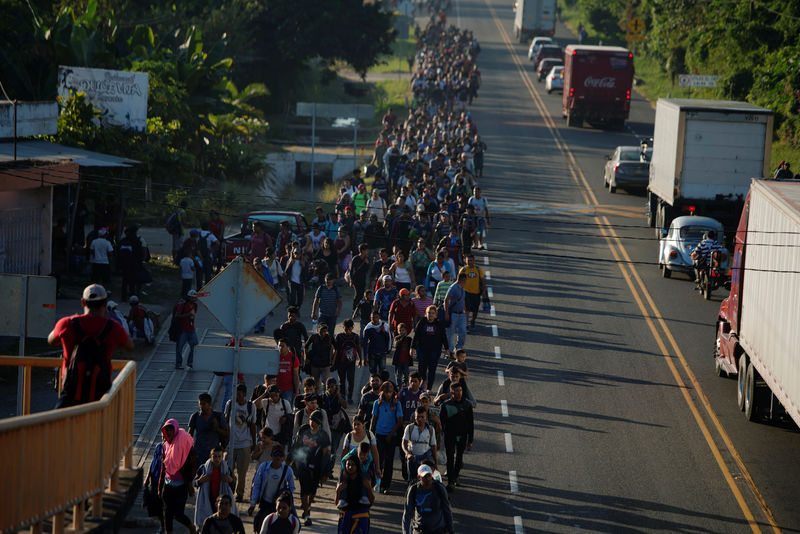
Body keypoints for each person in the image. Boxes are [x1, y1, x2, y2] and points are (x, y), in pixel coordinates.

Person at [48, 284, 133, 408]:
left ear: (83, 302)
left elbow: (51, 341)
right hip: (100, 398)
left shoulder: (67, 323)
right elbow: (129, 346)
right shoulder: (113, 327)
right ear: (105, 304)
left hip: (70, 396)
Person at [292, 410, 331, 526]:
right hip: (303, 465)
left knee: (312, 491)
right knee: (304, 490)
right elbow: (296, 446)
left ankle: (308, 506)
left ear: (319, 423)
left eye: (314, 421)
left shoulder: (323, 436)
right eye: (311, 420)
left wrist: (325, 472)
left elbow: (326, 455)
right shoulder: (304, 431)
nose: (312, 423)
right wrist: (290, 460)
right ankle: (307, 514)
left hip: (317, 467)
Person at [160, 419, 199, 534]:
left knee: (178, 514)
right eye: (166, 430)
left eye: (171, 430)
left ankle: (191, 527)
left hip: (181, 485)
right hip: (168, 484)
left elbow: (192, 465)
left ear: (175, 430)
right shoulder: (165, 445)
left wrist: (189, 483)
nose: (169, 432)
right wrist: (159, 485)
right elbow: (164, 466)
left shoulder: (184, 444)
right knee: (167, 512)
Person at [248, 444, 296, 533]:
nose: (278, 457)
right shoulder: (263, 467)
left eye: (280, 455)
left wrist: (282, 495)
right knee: (260, 526)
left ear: (283, 457)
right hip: (265, 503)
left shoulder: (287, 470)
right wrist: (253, 504)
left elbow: (292, 488)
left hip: (279, 505)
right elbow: (257, 485)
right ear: (271, 455)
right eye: (275, 454)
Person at [224, 384, 257, 501]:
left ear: (244, 394)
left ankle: (240, 494)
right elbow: (225, 421)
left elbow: (253, 425)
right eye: (235, 394)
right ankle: (228, 491)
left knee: (242, 472)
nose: (236, 396)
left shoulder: (251, 406)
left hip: (245, 443)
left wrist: (254, 442)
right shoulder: (230, 404)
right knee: (228, 470)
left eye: (239, 394)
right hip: (231, 444)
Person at [439, 381, 474, 492]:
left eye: (460, 391)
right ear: (451, 392)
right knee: (450, 458)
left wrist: (470, 440)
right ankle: (450, 481)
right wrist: (440, 437)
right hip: (450, 436)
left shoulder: (467, 405)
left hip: (462, 436)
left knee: (459, 458)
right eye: (456, 391)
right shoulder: (445, 405)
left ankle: (455, 476)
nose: (459, 393)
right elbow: (441, 423)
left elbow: (471, 424)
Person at [370, 381, 403, 495]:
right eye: (386, 392)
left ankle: (386, 485)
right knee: (379, 461)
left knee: (389, 461)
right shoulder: (377, 403)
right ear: (382, 391)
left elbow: (399, 421)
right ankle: (376, 483)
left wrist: (390, 434)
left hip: (391, 436)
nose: (388, 394)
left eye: (390, 392)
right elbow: (373, 418)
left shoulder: (396, 404)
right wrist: (370, 433)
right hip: (379, 434)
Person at [402, 465, 453, 534]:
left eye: (429, 475)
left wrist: (450, 529)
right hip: (420, 530)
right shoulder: (414, 490)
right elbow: (407, 513)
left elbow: (447, 509)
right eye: (425, 476)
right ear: (419, 477)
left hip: (438, 530)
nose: (428, 479)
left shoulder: (439, 488)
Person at [193, 447, 235, 529]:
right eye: (214, 456)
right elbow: (195, 483)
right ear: (210, 457)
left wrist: (231, 481)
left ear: (222, 457)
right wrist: (200, 481)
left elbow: (232, 488)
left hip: (221, 502)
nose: (217, 459)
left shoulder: (226, 469)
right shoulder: (204, 469)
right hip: (208, 499)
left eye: (219, 456)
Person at [336, 455, 375, 533]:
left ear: (357, 466)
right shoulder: (343, 482)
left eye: (353, 465)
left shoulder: (364, 481)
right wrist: (338, 491)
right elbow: (337, 504)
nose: (350, 467)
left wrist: (369, 489)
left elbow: (371, 499)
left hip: (360, 518)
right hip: (345, 518)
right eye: (348, 465)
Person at [188, 393, 230, 464]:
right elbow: (189, 435)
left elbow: (227, 433)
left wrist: (217, 429)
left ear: (209, 404)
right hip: (198, 455)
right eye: (200, 404)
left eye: (204, 404)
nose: (201, 406)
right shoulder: (195, 416)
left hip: (214, 456)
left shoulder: (218, 416)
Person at [341, 415, 382, 483]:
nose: (356, 426)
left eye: (358, 424)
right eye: (354, 424)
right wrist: (343, 469)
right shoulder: (349, 436)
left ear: (363, 424)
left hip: (366, 465)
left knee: (368, 485)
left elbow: (375, 452)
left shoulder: (370, 435)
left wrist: (377, 468)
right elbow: (344, 453)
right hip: (351, 466)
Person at [402, 407, 438, 484]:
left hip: (426, 457)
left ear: (426, 417)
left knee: (427, 481)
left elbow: (433, 447)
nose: (420, 419)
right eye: (418, 417)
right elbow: (404, 443)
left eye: (422, 417)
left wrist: (436, 463)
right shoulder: (409, 428)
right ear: (415, 417)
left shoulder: (430, 429)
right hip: (413, 458)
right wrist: (408, 454)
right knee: (413, 481)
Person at [333, 319, 361, 403]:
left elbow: (358, 348)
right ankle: (342, 397)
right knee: (341, 381)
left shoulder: (355, 337)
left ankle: (349, 397)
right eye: (346, 329)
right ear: (343, 327)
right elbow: (336, 350)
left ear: (352, 328)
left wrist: (360, 359)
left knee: (351, 380)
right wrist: (333, 361)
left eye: (350, 329)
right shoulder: (339, 336)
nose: (348, 331)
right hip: (340, 362)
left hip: (351, 362)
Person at [459, 253, 487, 331]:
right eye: (468, 260)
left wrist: (484, 290)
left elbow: (482, 280)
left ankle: (473, 320)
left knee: (475, 310)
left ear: (474, 261)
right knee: (466, 310)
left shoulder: (478, 269)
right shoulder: (463, 270)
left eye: (471, 260)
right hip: (466, 293)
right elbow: (459, 281)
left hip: (476, 293)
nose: (470, 262)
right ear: (465, 261)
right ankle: (466, 325)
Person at [443, 273, 468, 355]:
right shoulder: (453, 288)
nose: (466, 281)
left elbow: (463, 300)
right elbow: (446, 300)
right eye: (465, 280)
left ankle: (458, 348)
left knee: (463, 332)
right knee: (450, 333)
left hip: (461, 314)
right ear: (462, 280)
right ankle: (449, 350)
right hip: (453, 313)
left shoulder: (462, 288)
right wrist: (446, 313)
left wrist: (465, 311)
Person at [274, 331, 301, 404]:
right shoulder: (273, 357)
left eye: (283, 346)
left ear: (288, 347)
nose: (280, 348)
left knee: (287, 410)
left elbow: (296, 375)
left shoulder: (293, 358)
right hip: (275, 389)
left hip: (288, 389)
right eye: (279, 346)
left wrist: (297, 391)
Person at [175, 290, 199, 369]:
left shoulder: (195, 306)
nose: (194, 298)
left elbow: (193, 317)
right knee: (179, 347)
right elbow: (177, 315)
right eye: (193, 297)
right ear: (189, 297)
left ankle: (190, 362)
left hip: (191, 329)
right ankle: (178, 363)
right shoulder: (182, 305)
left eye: (195, 297)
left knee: (195, 346)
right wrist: (187, 315)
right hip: (182, 330)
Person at [305, 322, 334, 386]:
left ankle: (324, 396)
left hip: (326, 364)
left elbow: (336, 348)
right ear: (318, 330)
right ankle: (316, 396)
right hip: (315, 364)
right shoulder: (313, 337)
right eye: (321, 330)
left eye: (325, 331)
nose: (323, 333)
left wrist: (332, 360)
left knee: (326, 384)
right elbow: (305, 346)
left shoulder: (329, 337)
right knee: (315, 385)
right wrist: (306, 358)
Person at [348, 243, 371, 310]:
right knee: (358, 294)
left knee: (361, 295)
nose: (367, 252)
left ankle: (358, 308)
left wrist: (367, 264)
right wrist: (351, 280)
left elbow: (367, 270)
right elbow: (351, 270)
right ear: (363, 251)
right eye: (366, 250)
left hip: (363, 279)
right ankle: (354, 308)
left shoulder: (366, 259)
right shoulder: (356, 258)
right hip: (356, 279)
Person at [392, 323, 413, 387]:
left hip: (406, 360)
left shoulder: (409, 339)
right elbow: (396, 345)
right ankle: (398, 386)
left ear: (406, 331)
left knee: (406, 374)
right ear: (398, 331)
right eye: (400, 330)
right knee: (398, 375)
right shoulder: (397, 338)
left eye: (403, 330)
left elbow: (413, 345)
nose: (401, 332)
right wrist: (402, 338)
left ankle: (405, 384)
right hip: (398, 361)